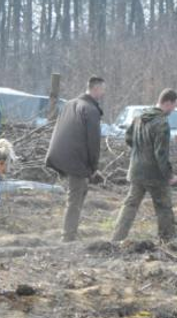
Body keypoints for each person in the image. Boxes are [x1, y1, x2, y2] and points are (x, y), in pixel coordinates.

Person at [111, 88, 177, 243]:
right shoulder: (161, 123)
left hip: (136, 170)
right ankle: (168, 240)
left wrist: (141, 152)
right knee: (163, 206)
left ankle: (116, 238)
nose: (174, 109)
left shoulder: (139, 117)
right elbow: (160, 154)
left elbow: (128, 139)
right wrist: (169, 175)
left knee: (130, 204)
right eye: (174, 106)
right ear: (167, 103)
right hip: (154, 174)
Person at [46, 76, 105, 242]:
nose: (103, 92)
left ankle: (70, 232)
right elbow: (93, 142)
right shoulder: (91, 110)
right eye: (102, 89)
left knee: (78, 193)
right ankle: (68, 237)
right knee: (75, 198)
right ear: (95, 88)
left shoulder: (70, 104)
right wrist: (94, 168)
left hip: (63, 157)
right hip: (76, 160)